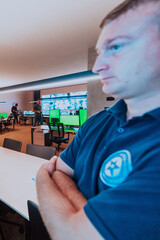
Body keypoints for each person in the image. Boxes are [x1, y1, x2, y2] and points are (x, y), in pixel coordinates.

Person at [35, 0, 160, 239]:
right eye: (100, 52)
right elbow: (60, 172)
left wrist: (42, 176)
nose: (97, 67)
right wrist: (85, 212)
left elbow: (71, 234)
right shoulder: (96, 122)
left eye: (116, 47)